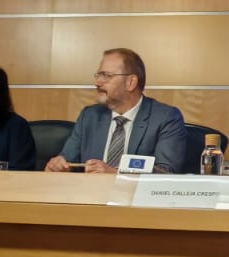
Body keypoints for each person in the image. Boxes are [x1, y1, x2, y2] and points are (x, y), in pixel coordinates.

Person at [45, 47, 187, 173]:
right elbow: (68, 161)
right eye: (98, 75)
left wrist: (115, 173)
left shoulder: (165, 118)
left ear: (131, 82)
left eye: (106, 76)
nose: (97, 83)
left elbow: (166, 172)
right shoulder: (89, 116)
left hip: (136, 195)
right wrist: (59, 165)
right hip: (91, 193)